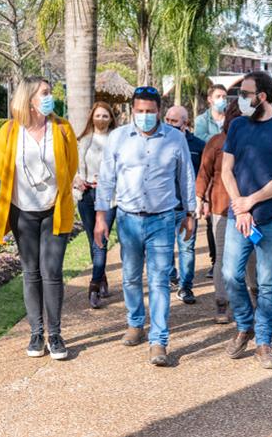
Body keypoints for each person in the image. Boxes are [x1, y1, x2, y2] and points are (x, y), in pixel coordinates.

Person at [94, 86, 196, 367]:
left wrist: (190, 213)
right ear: (132, 111)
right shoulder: (118, 138)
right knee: (129, 276)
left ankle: (159, 340)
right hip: (128, 219)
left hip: (162, 219)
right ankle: (135, 322)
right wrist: (101, 218)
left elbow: (186, 176)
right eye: (140, 111)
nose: (145, 116)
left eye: (150, 112)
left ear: (159, 111)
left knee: (160, 280)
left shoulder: (175, 139)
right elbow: (106, 179)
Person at [221, 71, 272, 370]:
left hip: (270, 218)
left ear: (263, 97)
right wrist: (240, 208)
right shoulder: (238, 126)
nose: (240, 99)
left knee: (267, 283)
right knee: (231, 275)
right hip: (238, 218)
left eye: (246, 94)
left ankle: (264, 342)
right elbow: (226, 170)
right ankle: (245, 325)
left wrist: (251, 202)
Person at [0, 76, 78, 360]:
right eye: (44, 92)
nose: (49, 96)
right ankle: (36, 332)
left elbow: (72, 166)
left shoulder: (63, 129)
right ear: (29, 98)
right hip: (22, 211)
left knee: (52, 272)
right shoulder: (8, 132)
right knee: (30, 272)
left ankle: (54, 335)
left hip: (54, 210)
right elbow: (2, 169)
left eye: (50, 92)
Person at [196, 101, 243, 323]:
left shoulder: (254, 141)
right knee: (223, 257)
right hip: (222, 208)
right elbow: (204, 173)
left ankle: (249, 298)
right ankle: (222, 302)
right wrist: (200, 199)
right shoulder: (217, 142)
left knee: (249, 258)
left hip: (250, 209)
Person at [74, 102, 118, 309]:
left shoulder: (117, 139)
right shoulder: (84, 140)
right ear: (92, 117)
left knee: (101, 239)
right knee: (93, 238)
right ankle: (102, 278)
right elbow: (74, 167)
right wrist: (78, 181)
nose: (101, 119)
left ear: (111, 118)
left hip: (108, 195)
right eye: (98, 115)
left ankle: (93, 286)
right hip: (87, 193)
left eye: (105, 116)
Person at [164, 105, 206, 304]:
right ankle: (171, 275)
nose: (170, 124)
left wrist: (200, 200)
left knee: (186, 248)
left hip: (186, 207)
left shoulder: (198, 145)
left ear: (185, 123)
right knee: (164, 247)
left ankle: (186, 286)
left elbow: (203, 175)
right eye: (168, 120)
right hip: (163, 207)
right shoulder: (158, 142)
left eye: (175, 121)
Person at [195, 84, 229, 280]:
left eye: (224, 96)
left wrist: (214, 142)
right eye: (218, 96)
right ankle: (214, 260)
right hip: (209, 171)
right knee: (212, 222)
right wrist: (218, 141)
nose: (222, 99)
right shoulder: (202, 120)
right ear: (210, 99)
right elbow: (201, 142)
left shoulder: (232, 118)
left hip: (224, 176)